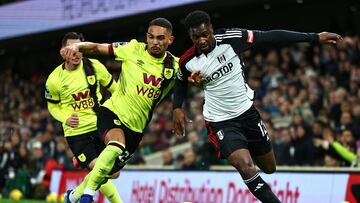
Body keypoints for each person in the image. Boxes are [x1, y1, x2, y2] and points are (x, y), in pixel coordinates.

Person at [172, 10, 343, 203]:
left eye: (205, 34)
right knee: (245, 166)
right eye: (196, 37)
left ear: (211, 29)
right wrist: (177, 107)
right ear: (190, 36)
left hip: (247, 113)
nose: (202, 40)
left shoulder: (232, 38)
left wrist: (314, 37)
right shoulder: (187, 60)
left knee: (269, 168)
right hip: (220, 121)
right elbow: (180, 80)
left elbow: (270, 36)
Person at [60, 18, 178, 203]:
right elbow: (96, 48)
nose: (155, 42)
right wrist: (77, 47)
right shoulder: (132, 48)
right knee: (116, 145)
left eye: (161, 38)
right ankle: (87, 196)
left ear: (170, 40)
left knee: (110, 172)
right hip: (112, 112)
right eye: (151, 37)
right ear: (146, 37)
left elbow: (196, 80)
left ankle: (72, 196)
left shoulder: (175, 66)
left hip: (137, 128)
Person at [45, 32, 122, 203]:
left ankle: (73, 196)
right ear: (63, 52)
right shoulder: (54, 79)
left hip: (100, 126)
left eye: (79, 48)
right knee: (99, 169)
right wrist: (64, 118)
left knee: (114, 173)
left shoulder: (94, 66)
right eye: (72, 49)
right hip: (77, 133)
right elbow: (52, 105)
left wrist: (121, 107)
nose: (76, 53)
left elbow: (114, 88)